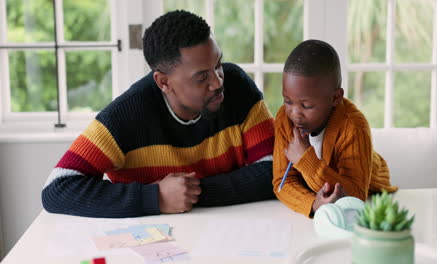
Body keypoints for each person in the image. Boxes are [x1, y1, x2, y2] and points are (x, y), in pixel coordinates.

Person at [42, 10, 275, 218]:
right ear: (163, 82)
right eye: (202, 77)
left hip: (234, 230)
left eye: (218, 65)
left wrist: (192, 193)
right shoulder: (126, 115)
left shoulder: (238, 87)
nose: (217, 82)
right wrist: (154, 197)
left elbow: (275, 170)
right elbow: (57, 189)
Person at [272, 39, 398, 218]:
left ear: (335, 98)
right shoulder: (285, 119)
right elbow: (282, 183)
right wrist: (314, 204)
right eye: (288, 101)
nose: (295, 113)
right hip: (321, 190)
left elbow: (355, 195)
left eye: (306, 106)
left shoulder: (353, 126)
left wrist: (305, 160)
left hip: (369, 187)